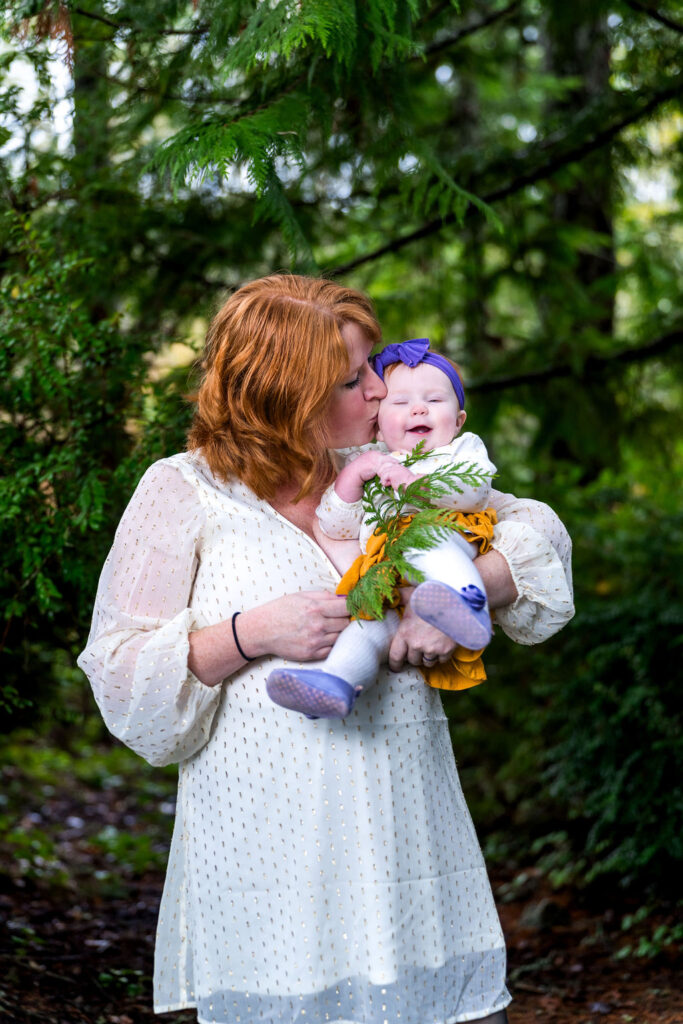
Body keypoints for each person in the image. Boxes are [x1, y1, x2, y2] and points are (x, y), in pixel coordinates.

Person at [77, 274, 575, 1024]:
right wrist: (251, 633)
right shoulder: (184, 491)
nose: (380, 392)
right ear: (284, 394)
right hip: (266, 863)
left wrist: (464, 592)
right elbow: (120, 672)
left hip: (409, 844)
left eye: (372, 367)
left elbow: (537, 532)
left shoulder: (395, 473)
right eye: (352, 378)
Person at [266, 337, 500, 719]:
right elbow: (337, 526)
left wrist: (417, 486)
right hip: (388, 571)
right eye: (401, 402)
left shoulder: (460, 450)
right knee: (368, 626)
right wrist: (355, 478)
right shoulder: (373, 461)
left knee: (429, 544)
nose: (419, 409)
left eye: (435, 401)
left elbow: (474, 489)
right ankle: (334, 683)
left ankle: (467, 603)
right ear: (379, 426)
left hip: (443, 534)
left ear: (458, 421)